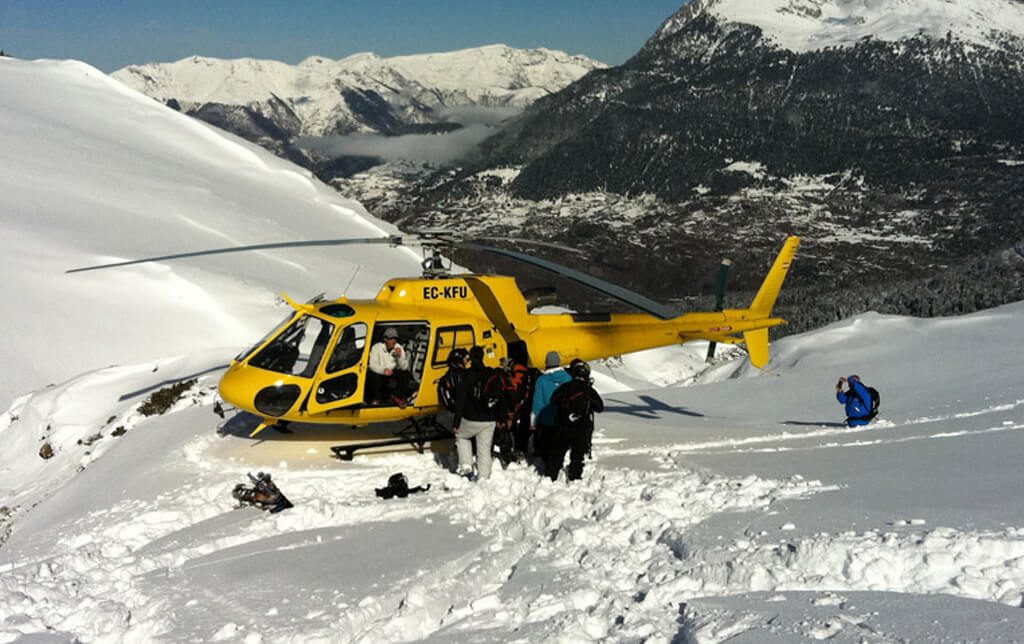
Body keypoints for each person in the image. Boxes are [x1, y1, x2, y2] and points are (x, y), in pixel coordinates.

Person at [546, 359, 604, 481]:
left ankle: (551, 476)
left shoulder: (566, 387)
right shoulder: (588, 390)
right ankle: (575, 477)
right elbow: (600, 407)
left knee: (558, 453)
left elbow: (553, 400)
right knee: (577, 456)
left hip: (564, 425)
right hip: (582, 428)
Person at [452, 346, 496, 481]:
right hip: (489, 419)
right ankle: (484, 476)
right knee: (484, 449)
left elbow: (460, 401)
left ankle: (466, 469)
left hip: (470, 418)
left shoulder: (465, 375)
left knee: (462, 437)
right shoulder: (491, 373)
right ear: (483, 357)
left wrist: (456, 422)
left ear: (470, 358)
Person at [531, 351, 572, 467]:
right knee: (559, 446)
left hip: (546, 420)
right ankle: (557, 466)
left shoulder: (541, 380)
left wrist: (533, 421)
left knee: (547, 445)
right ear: (559, 362)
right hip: (563, 419)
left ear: (546, 363)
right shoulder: (568, 379)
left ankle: (548, 466)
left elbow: (537, 403)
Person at [367, 327, 411, 405]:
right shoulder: (376, 347)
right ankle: (377, 399)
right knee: (372, 374)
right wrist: (383, 370)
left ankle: (396, 396)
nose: (394, 341)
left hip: (392, 372)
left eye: (395, 339)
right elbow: (372, 364)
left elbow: (404, 367)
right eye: (391, 339)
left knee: (405, 374)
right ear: (385, 339)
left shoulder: (399, 347)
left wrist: (399, 357)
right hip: (380, 371)